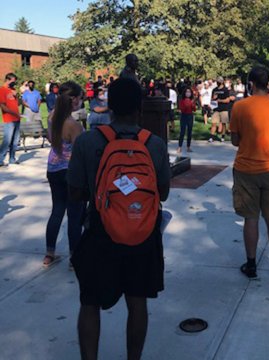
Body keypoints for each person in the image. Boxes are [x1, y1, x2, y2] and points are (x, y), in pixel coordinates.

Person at [68, 78, 170, 360]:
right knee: (138, 303)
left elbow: (75, 193)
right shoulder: (155, 144)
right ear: (139, 106)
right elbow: (163, 193)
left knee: (89, 302)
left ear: (109, 106)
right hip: (143, 234)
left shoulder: (88, 141)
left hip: (100, 232)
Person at [230, 66, 269, 279]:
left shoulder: (239, 107)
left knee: (251, 218)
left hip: (246, 169)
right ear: (268, 83)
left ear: (250, 84)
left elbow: (235, 141)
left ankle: (251, 265)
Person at [44, 81, 86, 267]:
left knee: (57, 210)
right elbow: (79, 153)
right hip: (70, 171)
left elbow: (50, 138)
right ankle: (75, 257)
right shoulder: (73, 125)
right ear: (75, 99)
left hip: (53, 168)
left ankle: (49, 253)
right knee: (75, 215)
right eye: (81, 98)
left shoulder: (52, 116)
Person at [0, 73, 21, 167]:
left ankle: (12, 159)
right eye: (13, 81)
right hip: (9, 119)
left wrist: (17, 96)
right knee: (7, 140)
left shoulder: (13, 90)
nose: (14, 83)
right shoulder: (2, 90)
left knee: (15, 140)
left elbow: (18, 104)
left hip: (17, 119)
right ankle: (0, 159)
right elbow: (3, 107)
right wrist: (14, 113)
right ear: (8, 79)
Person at [209, 77, 230, 143]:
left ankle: (222, 137)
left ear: (222, 82)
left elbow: (227, 100)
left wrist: (220, 100)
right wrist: (213, 99)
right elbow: (212, 99)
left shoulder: (225, 90)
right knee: (213, 123)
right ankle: (211, 137)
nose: (217, 82)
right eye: (217, 81)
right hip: (216, 109)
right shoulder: (214, 89)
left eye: (219, 81)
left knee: (223, 123)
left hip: (224, 109)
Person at [177, 87, 196, 153]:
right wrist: (189, 104)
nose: (188, 93)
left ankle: (188, 146)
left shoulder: (192, 100)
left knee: (189, 132)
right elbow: (183, 109)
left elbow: (194, 109)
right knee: (182, 131)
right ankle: (180, 146)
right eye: (187, 92)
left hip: (190, 116)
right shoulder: (182, 100)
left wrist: (192, 104)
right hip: (184, 116)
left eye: (189, 92)